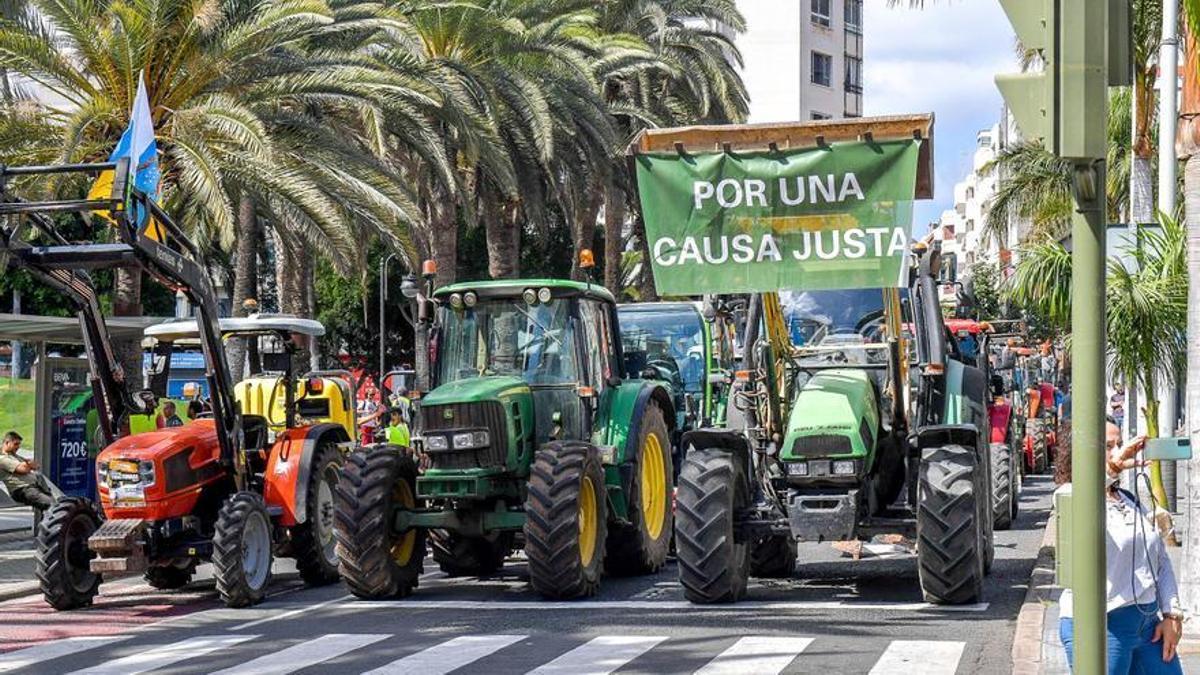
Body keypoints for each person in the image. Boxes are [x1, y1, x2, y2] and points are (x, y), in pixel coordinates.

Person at [1058, 419, 1185, 674]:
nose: (1117, 452)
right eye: (1107, 446)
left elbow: (1159, 560)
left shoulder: (1127, 499)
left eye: (1119, 444)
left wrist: (1172, 615)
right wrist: (1113, 468)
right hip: (1102, 626)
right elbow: (1087, 502)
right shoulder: (1069, 495)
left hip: (1147, 623)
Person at [0, 431, 54, 513]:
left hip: (33, 487)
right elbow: (23, 469)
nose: (18, 447)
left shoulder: (15, 456)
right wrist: (28, 465)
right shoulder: (2, 458)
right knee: (52, 504)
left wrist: (28, 465)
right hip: (22, 490)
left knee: (58, 502)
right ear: (7, 443)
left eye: (19, 444)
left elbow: (36, 466)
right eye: (16, 444)